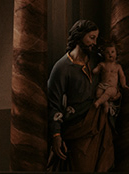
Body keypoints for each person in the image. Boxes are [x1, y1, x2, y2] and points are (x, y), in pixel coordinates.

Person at [47, 19, 115, 172]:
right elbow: (54, 104)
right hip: (78, 130)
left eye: (96, 38)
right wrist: (56, 135)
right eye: (91, 37)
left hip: (100, 124)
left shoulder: (97, 60)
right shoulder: (62, 67)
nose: (94, 42)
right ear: (79, 36)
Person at [93, 40, 128, 116]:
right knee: (98, 93)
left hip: (112, 87)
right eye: (107, 52)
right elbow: (96, 70)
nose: (110, 54)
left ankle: (98, 102)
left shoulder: (117, 66)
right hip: (102, 84)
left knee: (108, 92)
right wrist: (95, 70)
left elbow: (122, 76)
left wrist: (123, 84)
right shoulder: (102, 64)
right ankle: (105, 103)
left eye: (112, 52)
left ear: (116, 53)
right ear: (104, 54)